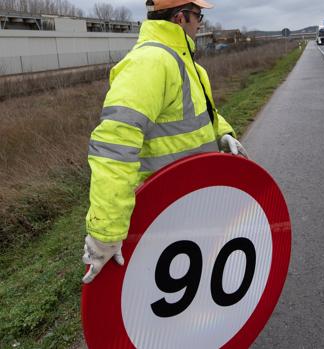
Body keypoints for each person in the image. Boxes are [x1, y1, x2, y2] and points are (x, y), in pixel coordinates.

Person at [82, 0, 247, 283]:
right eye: (199, 16)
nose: (201, 24)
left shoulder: (189, 66)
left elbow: (205, 116)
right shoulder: (149, 63)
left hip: (195, 203)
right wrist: (106, 232)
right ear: (180, 18)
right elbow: (114, 145)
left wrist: (224, 133)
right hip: (160, 214)